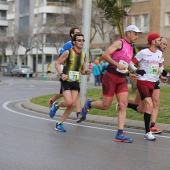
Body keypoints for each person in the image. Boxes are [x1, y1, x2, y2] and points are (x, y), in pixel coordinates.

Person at [77, 25, 142, 143]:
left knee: (123, 104)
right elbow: (105, 55)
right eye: (135, 33)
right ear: (128, 33)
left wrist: (128, 73)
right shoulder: (119, 43)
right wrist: (117, 65)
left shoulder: (131, 47)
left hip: (122, 79)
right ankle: (89, 104)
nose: (137, 36)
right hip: (110, 77)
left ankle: (120, 133)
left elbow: (124, 64)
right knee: (105, 106)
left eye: (138, 34)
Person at [49, 33, 91, 132]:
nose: (81, 42)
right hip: (66, 80)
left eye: (82, 40)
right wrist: (61, 74)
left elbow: (82, 71)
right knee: (68, 102)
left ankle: (59, 124)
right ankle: (56, 105)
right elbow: (57, 63)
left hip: (75, 82)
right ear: (74, 42)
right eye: (79, 40)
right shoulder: (68, 52)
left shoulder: (84, 55)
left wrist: (87, 72)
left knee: (72, 105)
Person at [129, 33, 167, 141]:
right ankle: (147, 132)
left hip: (152, 82)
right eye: (159, 40)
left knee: (143, 108)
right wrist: (137, 70)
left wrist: (162, 73)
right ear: (153, 41)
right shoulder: (143, 53)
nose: (161, 42)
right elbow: (131, 63)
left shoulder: (159, 53)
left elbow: (159, 67)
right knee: (150, 105)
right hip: (143, 82)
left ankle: (124, 104)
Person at [48, 27, 82, 120]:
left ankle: (78, 113)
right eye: (76, 33)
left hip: (75, 74)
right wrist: (64, 72)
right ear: (72, 35)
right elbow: (60, 58)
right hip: (65, 72)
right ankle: (53, 101)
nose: (79, 34)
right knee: (65, 94)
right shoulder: (68, 45)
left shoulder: (80, 46)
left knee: (73, 93)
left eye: (80, 32)